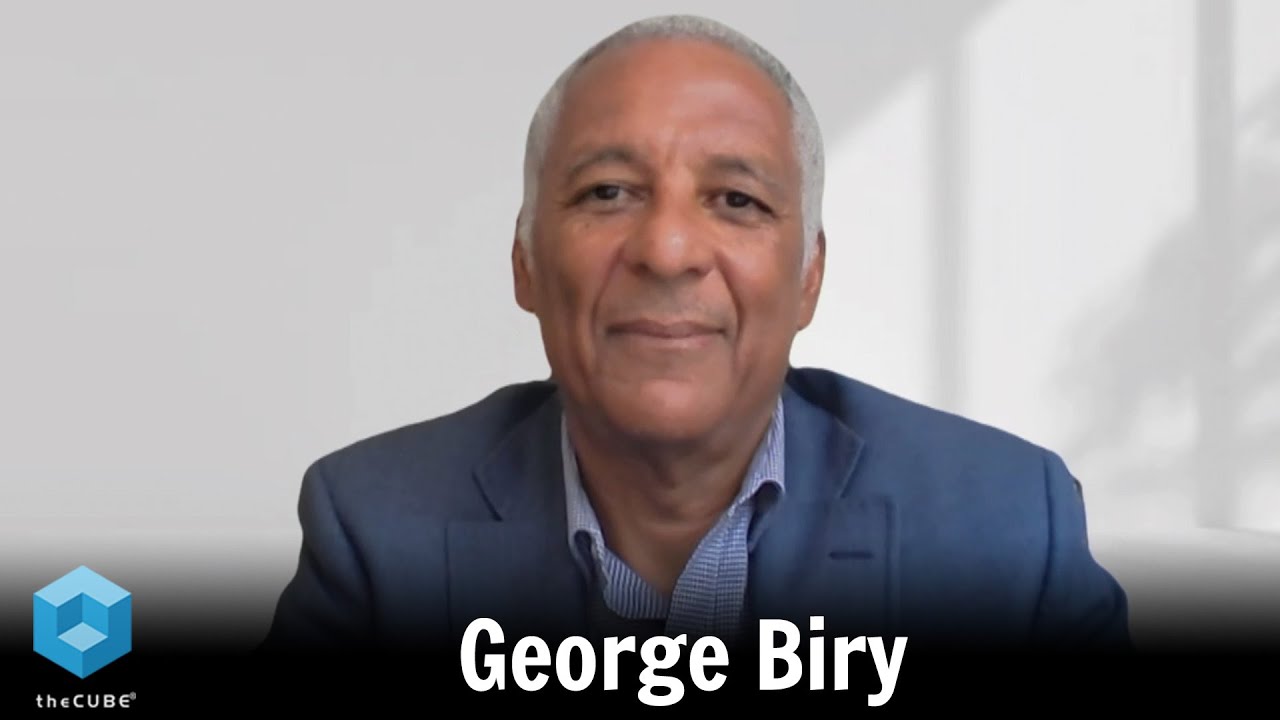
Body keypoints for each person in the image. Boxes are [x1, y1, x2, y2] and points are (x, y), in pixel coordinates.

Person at [261, 14, 1129, 656]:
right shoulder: (376, 531)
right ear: (525, 262)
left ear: (808, 276)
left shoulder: (1005, 532)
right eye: (608, 193)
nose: (668, 250)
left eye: (736, 200)